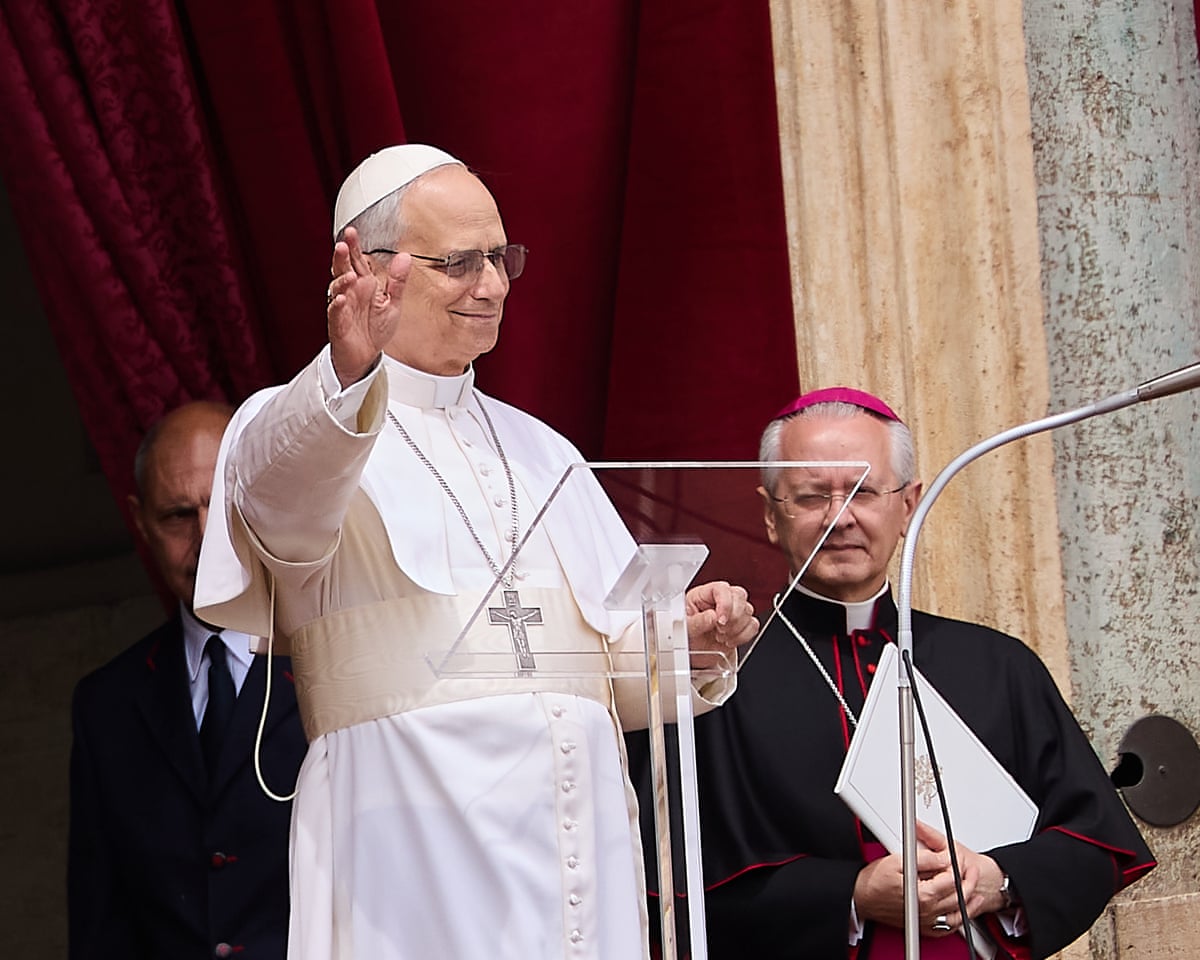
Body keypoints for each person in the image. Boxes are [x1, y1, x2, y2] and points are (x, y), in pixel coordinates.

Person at [192, 143, 758, 960]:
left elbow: (603, 676)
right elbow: (285, 510)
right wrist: (347, 373)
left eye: (500, 257)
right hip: (411, 850)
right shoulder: (296, 421)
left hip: (581, 853)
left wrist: (683, 642)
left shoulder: (546, 451)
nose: (492, 285)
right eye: (459, 262)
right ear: (369, 268)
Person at [667, 387, 1156, 959]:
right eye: (811, 496)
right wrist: (850, 895)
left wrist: (996, 879)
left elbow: (1095, 844)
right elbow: (674, 887)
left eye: (863, 491)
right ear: (771, 516)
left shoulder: (998, 666)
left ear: (908, 505)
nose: (840, 517)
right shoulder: (717, 681)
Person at [68, 401, 308, 959]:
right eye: (178, 516)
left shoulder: (331, 659)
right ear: (140, 523)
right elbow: (100, 925)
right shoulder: (107, 707)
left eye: (221, 507)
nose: (206, 538)